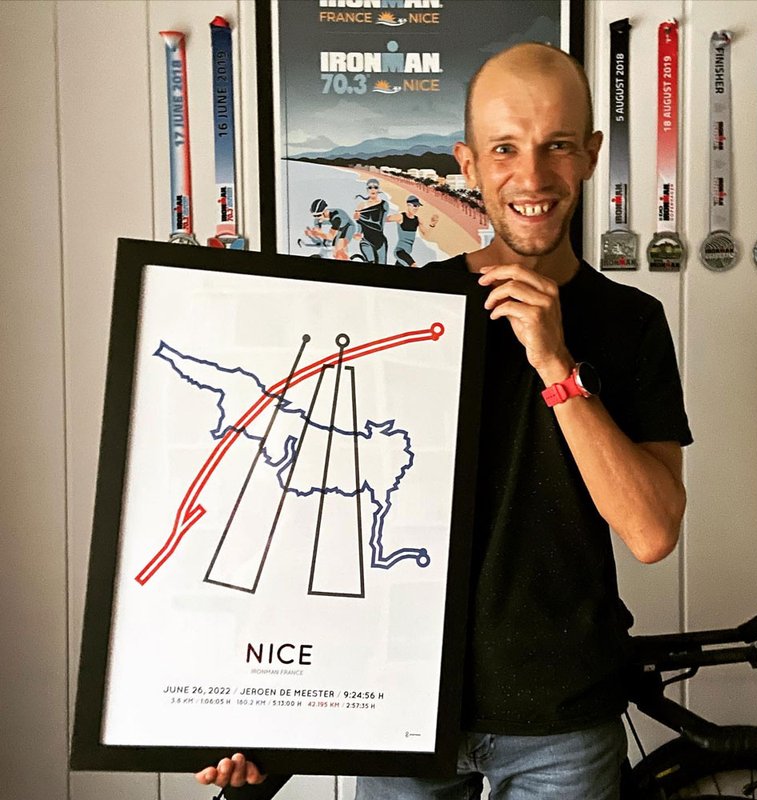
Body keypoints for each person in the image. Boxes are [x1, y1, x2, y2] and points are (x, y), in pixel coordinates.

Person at [195, 41, 692, 799]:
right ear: (468, 164)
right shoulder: (397, 314)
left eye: (558, 145)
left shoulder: (634, 323)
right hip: (395, 705)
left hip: (561, 719)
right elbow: (321, 505)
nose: (532, 176)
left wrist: (557, 366)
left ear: (592, 155)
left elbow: (652, 532)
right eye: (505, 149)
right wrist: (269, 721)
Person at [386, 194, 439, 267]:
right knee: (413, 265)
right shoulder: (401, 217)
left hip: (407, 253)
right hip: (400, 252)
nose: (416, 208)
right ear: (408, 205)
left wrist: (432, 224)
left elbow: (426, 234)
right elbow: (384, 219)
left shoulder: (418, 220)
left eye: (418, 206)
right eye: (414, 205)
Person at [353, 177, 390, 263]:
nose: (373, 189)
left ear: (378, 189)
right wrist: (358, 234)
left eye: (375, 187)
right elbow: (359, 227)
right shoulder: (361, 206)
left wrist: (360, 218)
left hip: (380, 242)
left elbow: (380, 226)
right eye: (370, 187)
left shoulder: (384, 205)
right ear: (367, 189)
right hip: (366, 241)